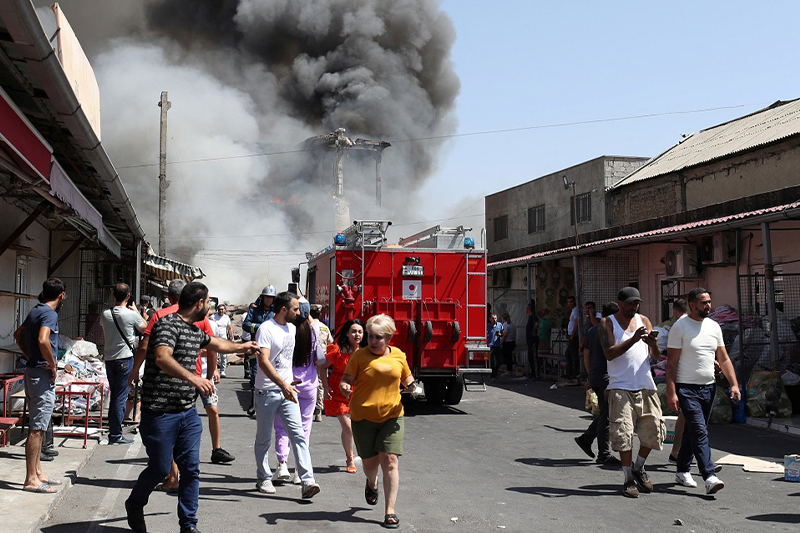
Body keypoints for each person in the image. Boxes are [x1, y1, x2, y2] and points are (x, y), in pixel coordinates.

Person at [125, 282, 259, 533]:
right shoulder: (167, 325)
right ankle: (134, 504)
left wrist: (243, 347)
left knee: (190, 469)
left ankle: (188, 525)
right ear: (199, 303)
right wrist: (194, 378)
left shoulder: (193, 330)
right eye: (208, 302)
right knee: (161, 468)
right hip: (160, 413)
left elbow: (217, 344)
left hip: (187, 413)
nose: (208, 307)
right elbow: (162, 357)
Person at [340, 314, 416, 530]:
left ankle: (389, 511)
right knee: (370, 464)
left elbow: (407, 378)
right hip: (363, 417)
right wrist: (344, 387)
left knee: (391, 460)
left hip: (392, 416)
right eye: (371, 336)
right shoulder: (359, 357)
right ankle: (371, 482)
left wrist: (412, 387)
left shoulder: (399, 356)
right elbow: (346, 380)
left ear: (389, 338)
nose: (373, 341)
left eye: (378, 337)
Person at [667, 288, 740, 494]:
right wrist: (672, 392)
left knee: (693, 430)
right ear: (691, 305)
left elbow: (723, 358)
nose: (708, 306)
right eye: (703, 303)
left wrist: (733, 384)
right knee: (699, 429)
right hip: (686, 388)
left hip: (708, 387)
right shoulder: (679, 328)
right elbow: (671, 363)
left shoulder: (714, 327)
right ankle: (709, 476)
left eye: (709, 302)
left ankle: (682, 470)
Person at [252, 291, 321, 499]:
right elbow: (263, 361)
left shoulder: (291, 328)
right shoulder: (266, 329)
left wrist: (289, 382)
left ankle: (307, 480)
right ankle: (263, 478)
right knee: (264, 438)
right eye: (295, 309)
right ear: (284, 309)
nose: (298, 312)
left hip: (288, 391)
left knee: (298, 435)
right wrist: (283, 384)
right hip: (267, 392)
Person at [599, 286, 664, 498]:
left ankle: (639, 467)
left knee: (654, 430)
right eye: (629, 303)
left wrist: (653, 345)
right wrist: (633, 340)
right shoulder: (607, 323)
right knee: (624, 434)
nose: (633, 307)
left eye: (636, 303)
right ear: (619, 303)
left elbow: (655, 356)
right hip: (620, 386)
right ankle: (627, 479)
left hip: (645, 384)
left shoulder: (644, 320)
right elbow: (609, 354)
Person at [13, 278, 66, 494]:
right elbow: (44, 340)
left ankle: (37, 472)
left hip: (33, 371)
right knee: (36, 429)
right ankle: (30, 479)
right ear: (61, 295)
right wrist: (52, 365)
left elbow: (18, 335)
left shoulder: (35, 310)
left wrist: (30, 356)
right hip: (41, 375)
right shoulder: (49, 314)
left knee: (41, 425)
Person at [273, 297, 325, 484]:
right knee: (304, 428)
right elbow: (312, 322)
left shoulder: (286, 331)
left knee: (281, 426)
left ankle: (282, 465)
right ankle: (298, 471)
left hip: (288, 384)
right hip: (310, 384)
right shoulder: (315, 329)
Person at [574, 302, 621, 465]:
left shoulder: (592, 330)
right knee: (607, 416)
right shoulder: (610, 330)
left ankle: (586, 439)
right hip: (608, 378)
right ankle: (603, 453)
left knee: (605, 414)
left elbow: (586, 354)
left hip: (597, 376)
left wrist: (590, 375)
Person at [100, 282, 146, 445]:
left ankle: (114, 431)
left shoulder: (105, 314)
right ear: (128, 296)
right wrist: (137, 312)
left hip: (110, 360)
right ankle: (115, 434)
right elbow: (146, 329)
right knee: (120, 398)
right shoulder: (131, 315)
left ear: (113, 295)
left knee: (115, 396)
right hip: (125, 360)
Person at [320, 319, 366, 473]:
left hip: (358, 393)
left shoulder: (367, 351)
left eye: (360, 331)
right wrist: (325, 386)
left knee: (353, 427)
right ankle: (350, 457)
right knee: (348, 427)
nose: (357, 334)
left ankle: (352, 452)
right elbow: (323, 367)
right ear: (347, 333)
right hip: (337, 391)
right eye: (353, 331)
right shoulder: (337, 350)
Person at [243, 285, 277, 415]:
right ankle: (253, 404)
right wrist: (260, 327)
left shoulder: (276, 312)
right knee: (255, 375)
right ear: (262, 298)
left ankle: (269, 404)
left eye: (271, 298)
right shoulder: (254, 311)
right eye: (266, 297)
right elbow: (246, 325)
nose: (268, 300)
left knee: (270, 376)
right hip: (256, 348)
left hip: (271, 350)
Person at [310, 304, 333, 422]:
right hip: (321, 358)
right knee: (320, 383)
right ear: (319, 314)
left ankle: (307, 408)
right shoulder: (324, 327)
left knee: (308, 381)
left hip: (308, 358)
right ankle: (318, 411)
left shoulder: (307, 326)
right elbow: (331, 343)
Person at [210, 304, 233, 378]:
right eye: (219, 309)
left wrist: (231, 337)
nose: (221, 311)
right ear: (217, 310)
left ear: (225, 310)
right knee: (214, 355)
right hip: (215, 339)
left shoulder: (226, 318)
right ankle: (214, 370)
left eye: (222, 309)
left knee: (223, 356)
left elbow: (229, 328)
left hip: (223, 339)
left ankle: (222, 371)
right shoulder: (213, 317)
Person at [565, 296, 581, 380]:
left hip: (574, 336)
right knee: (568, 354)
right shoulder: (573, 311)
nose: (570, 303)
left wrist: (572, 334)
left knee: (573, 355)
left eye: (571, 301)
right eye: (568, 302)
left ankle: (575, 373)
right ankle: (570, 372)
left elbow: (576, 323)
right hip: (571, 335)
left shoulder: (575, 311)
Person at [525, 304, 540, 380]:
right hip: (530, 341)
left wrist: (534, 332)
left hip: (533, 340)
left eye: (526, 309)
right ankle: (532, 373)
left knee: (534, 357)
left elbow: (536, 324)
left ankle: (537, 375)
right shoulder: (530, 318)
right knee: (530, 357)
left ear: (528, 309)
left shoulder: (533, 317)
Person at [487, 313, 503, 379]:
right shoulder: (487, 326)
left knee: (500, 360)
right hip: (490, 345)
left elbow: (502, 333)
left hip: (497, 345)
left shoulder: (499, 325)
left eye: (495, 318)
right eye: (493, 318)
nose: (494, 320)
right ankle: (492, 374)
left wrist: (500, 334)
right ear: (490, 319)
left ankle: (495, 371)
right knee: (492, 361)